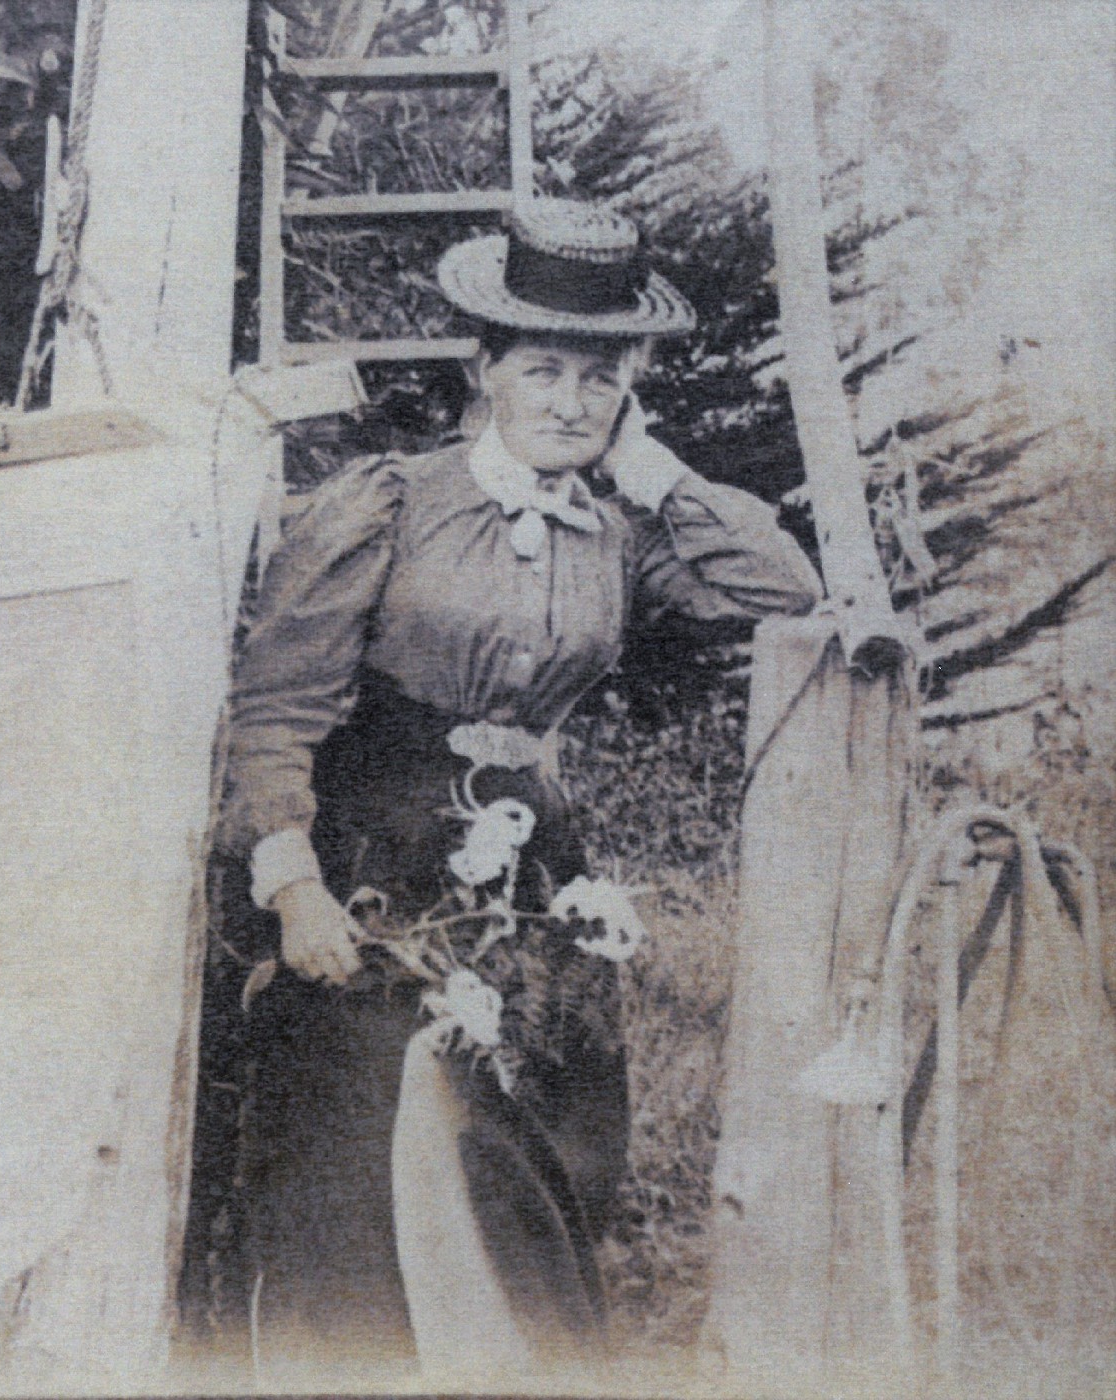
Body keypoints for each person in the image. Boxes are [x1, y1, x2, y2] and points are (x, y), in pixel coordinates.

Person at [214, 198, 822, 1381]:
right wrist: (292, 886)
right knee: (362, 1138)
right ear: (483, 366)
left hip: (532, 864)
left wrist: (647, 468)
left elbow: (781, 586)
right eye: (542, 369)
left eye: (600, 378)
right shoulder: (391, 501)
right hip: (370, 852)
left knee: (535, 1127)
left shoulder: (617, 528)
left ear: (628, 391)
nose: (569, 401)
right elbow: (276, 709)